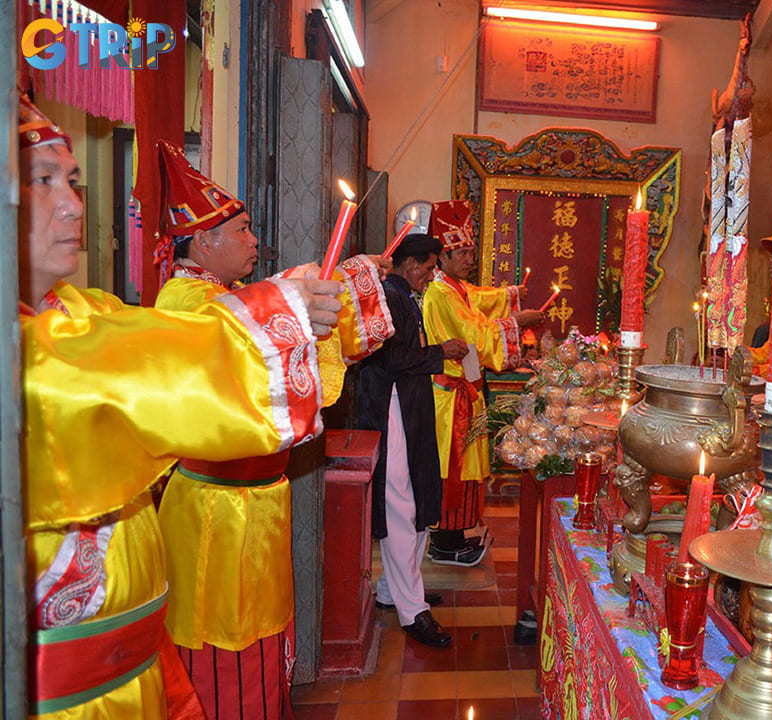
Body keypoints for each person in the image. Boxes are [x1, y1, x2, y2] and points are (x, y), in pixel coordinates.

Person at [18, 94, 343, 719]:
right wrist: (284, 310)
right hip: (69, 689)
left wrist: (295, 303)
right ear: (203, 242)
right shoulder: (43, 349)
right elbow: (169, 363)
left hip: (136, 656)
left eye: (74, 181)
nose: (73, 204)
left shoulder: (86, 312)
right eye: (43, 181)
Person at [151, 141, 394, 718]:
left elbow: (261, 320)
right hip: (215, 511)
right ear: (202, 241)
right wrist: (307, 287)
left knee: (259, 636)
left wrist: (341, 280)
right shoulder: (184, 297)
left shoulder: (222, 295)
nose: (253, 240)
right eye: (240, 230)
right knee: (220, 642)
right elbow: (239, 328)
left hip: (255, 503)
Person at [357, 233, 468, 647]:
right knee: (401, 504)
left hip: (411, 408)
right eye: (428, 266)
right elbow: (392, 357)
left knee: (418, 497)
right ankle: (412, 611)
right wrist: (442, 352)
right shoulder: (390, 297)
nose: (431, 274)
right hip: (392, 409)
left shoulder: (404, 296)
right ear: (407, 265)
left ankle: (396, 589)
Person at [421, 201, 543, 565]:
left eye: (472, 250)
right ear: (442, 256)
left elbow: (479, 299)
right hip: (449, 396)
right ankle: (446, 541)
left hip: (462, 392)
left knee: (462, 468)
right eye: (462, 251)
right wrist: (517, 319)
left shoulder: (454, 288)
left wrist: (509, 296)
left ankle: (454, 535)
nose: (469, 257)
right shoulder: (440, 293)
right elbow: (474, 331)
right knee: (453, 469)